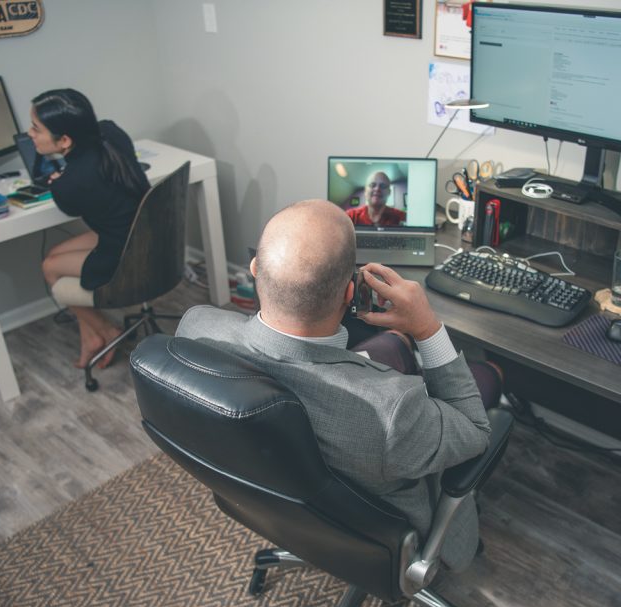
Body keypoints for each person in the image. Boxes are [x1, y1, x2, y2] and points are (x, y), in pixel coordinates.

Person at [176, 199, 502, 572]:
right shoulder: (391, 414)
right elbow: (475, 429)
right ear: (350, 294)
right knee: (490, 376)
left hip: (267, 500)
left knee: (395, 342)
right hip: (376, 532)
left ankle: (401, 342)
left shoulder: (195, 330)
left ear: (254, 270)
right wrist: (427, 327)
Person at [33, 89, 151, 369]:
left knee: (50, 267)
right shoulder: (111, 134)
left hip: (123, 255)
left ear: (64, 140)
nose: (30, 134)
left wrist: (58, 180)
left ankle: (106, 330)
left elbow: (72, 198)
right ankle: (91, 336)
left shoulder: (68, 186)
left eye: (36, 129)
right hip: (145, 235)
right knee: (55, 254)